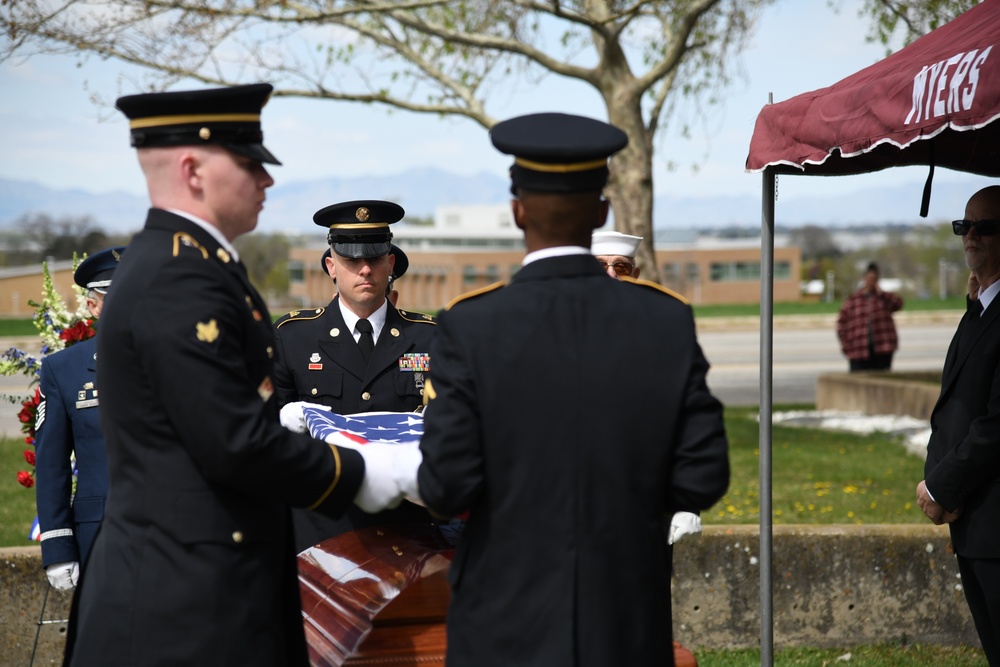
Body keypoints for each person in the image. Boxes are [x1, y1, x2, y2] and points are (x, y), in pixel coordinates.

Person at [63, 84, 410, 667]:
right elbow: (234, 441)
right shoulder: (179, 277)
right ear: (193, 169)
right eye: (252, 164)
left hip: (203, 586)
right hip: (180, 605)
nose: (266, 181)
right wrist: (369, 471)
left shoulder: (192, 264)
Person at [414, 112, 730, 667]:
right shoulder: (665, 321)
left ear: (517, 211)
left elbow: (446, 486)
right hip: (626, 621)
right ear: (602, 211)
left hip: (505, 626)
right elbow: (703, 476)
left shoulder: (470, 326)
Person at [275, 201, 436, 552]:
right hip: (323, 536)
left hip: (409, 534)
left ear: (390, 263)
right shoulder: (293, 337)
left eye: (375, 259)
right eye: (351, 260)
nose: (365, 270)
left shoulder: (431, 338)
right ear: (332, 267)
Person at [917, 185, 1000, 666]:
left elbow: (997, 424)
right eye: (963, 225)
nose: (970, 235)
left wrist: (941, 486)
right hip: (975, 524)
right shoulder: (983, 307)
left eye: (985, 226)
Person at [34, 246, 125, 591]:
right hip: (100, 537)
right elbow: (52, 463)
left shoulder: (179, 361)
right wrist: (57, 546)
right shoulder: (64, 370)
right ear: (93, 306)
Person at [836, 262, 903, 371]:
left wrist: (881, 294)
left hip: (882, 349)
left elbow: (898, 304)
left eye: (874, 279)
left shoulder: (883, 298)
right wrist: (846, 346)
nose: (871, 282)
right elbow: (841, 323)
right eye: (869, 278)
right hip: (859, 350)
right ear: (864, 278)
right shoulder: (853, 300)